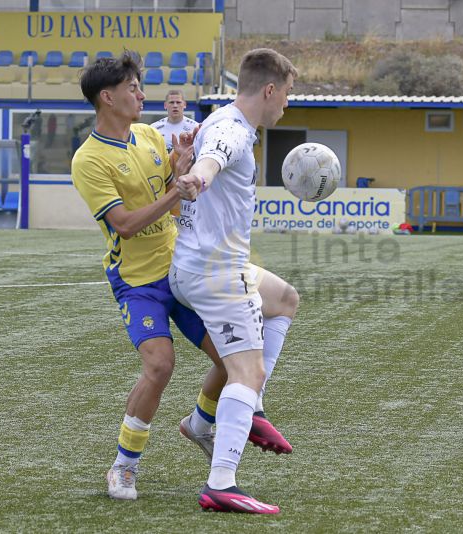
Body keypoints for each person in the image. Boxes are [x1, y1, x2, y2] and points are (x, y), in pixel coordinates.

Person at [71, 51, 290, 503]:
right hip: (138, 280)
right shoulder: (88, 160)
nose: (142, 95)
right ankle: (124, 467)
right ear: (107, 97)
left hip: (180, 268)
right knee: (159, 366)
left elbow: (180, 188)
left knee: (230, 363)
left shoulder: (149, 137)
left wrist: (181, 165)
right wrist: (180, 184)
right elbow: (126, 224)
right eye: (133, 88)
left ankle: (202, 423)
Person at [169, 48, 300, 514]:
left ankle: (251, 410)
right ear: (268, 90)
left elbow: (206, 152)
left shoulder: (219, 118)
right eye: (286, 93)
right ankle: (221, 484)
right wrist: (198, 178)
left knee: (284, 299)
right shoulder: (231, 132)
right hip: (215, 274)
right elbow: (213, 160)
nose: (287, 102)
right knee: (247, 371)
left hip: (199, 264)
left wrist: (194, 171)